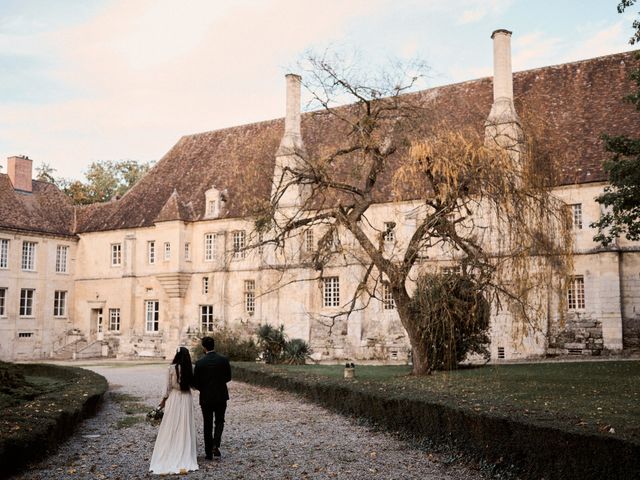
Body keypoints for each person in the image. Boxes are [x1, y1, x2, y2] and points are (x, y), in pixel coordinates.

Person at [149, 347, 198, 474]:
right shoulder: (191, 367)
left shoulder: (171, 368)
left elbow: (167, 388)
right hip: (186, 398)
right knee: (184, 425)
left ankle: (170, 449)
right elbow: (194, 385)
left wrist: (162, 402)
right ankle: (184, 451)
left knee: (171, 425)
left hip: (174, 398)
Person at [193, 336, 232, 460]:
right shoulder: (224, 360)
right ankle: (216, 444)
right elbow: (228, 377)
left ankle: (208, 452)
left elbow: (196, 382)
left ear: (203, 347)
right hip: (221, 396)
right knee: (220, 421)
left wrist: (203, 389)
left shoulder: (200, 363)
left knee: (207, 423)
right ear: (214, 346)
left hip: (206, 397)